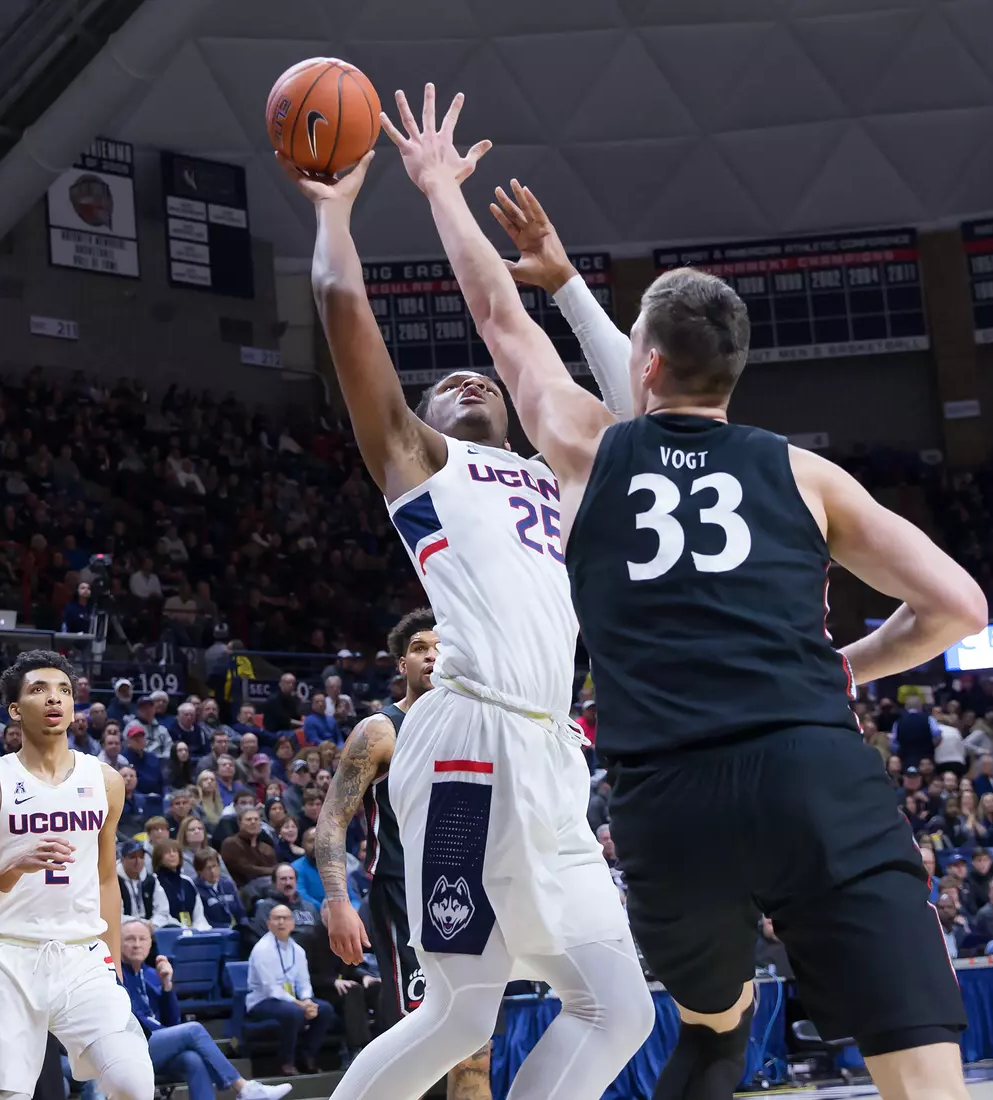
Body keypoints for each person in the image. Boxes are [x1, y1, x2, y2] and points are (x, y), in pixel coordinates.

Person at [382, 87, 989, 1100]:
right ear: (734, 371)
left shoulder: (590, 449)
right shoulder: (805, 473)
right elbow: (960, 608)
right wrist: (849, 665)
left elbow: (497, 317)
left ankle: (718, 1031)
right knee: (919, 1062)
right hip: (813, 770)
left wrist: (441, 186)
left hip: (671, 795)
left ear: (646, 363)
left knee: (710, 1031)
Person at [291, 95, 654, 1100]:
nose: (472, 380)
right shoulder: (421, 462)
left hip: (550, 752)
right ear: (425, 413)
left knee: (617, 1005)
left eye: (482, 378)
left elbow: (638, 409)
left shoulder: (563, 473)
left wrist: (561, 280)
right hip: (466, 742)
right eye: (448, 382)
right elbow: (345, 315)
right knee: (460, 1011)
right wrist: (336, 214)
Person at [0, 650, 152, 1100]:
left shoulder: (105, 781)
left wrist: (114, 966)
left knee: (133, 1083)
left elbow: (107, 880)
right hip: (8, 959)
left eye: (63, 689)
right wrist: (13, 866)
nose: (54, 698)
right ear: (15, 709)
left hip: (83, 956)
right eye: (39, 690)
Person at [318, 612, 463, 1067]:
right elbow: (332, 820)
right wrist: (338, 902)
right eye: (420, 648)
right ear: (402, 664)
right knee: (415, 1032)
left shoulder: (469, 726)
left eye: (441, 648)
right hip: (403, 893)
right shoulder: (380, 730)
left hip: (464, 890)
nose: (432, 656)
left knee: (471, 1038)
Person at [117, 920, 288, 1100]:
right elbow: (137, 1021)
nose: (137, 944)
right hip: (131, 1048)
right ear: (118, 943)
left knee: (193, 1060)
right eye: (130, 939)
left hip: (156, 1047)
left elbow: (173, 1022)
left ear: (150, 943)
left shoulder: (152, 974)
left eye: (142, 939)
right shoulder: (116, 977)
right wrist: (174, 1034)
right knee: (193, 1030)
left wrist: (167, 985)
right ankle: (243, 1088)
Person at [244, 906, 336, 1077]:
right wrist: (299, 1004)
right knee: (293, 1013)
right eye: (277, 918)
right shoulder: (261, 950)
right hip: (262, 1001)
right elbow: (270, 988)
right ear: (268, 924)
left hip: (292, 1001)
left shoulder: (298, 950)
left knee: (325, 1009)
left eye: (285, 918)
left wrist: (307, 1000)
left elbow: (303, 982)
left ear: (293, 923)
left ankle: (307, 1057)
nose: (281, 922)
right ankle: (285, 1063)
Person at [148, 842, 208, 932]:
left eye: (175, 851)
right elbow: (160, 913)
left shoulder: (187, 881)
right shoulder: (154, 881)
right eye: (167, 852)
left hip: (192, 932)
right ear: (159, 858)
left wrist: (198, 929)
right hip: (166, 930)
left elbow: (198, 914)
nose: (172, 855)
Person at [219, 808, 276, 888]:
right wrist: (274, 871)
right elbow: (245, 870)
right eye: (249, 819)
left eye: (256, 819)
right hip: (243, 889)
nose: (253, 822)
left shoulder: (266, 847)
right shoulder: (231, 843)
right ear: (240, 823)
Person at [191, 852, 242, 930]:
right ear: (199, 871)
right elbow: (202, 919)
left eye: (214, 866)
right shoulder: (195, 888)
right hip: (214, 931)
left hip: (235, 929)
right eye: (208, 868)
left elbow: (241, 912)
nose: (212, 871)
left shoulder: (228, 884)